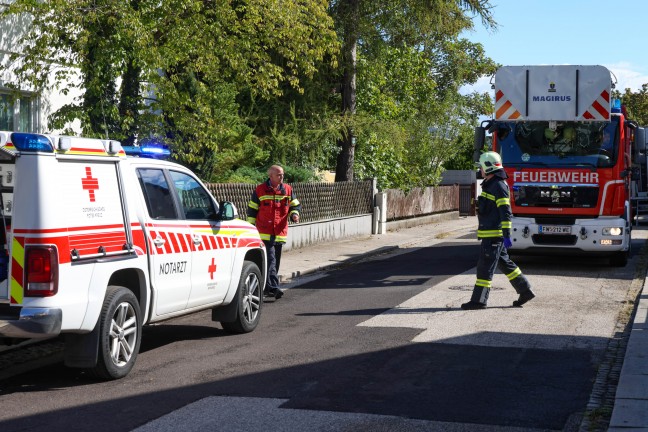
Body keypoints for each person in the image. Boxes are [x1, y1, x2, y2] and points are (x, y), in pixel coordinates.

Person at [461, 152, 535, 310]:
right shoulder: (491, 183)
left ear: (487, 167)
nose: (480, 169)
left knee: (484, 268)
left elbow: (505, 211)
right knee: (505, 264)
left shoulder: (498, 185)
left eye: (481, 166)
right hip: (492, 234)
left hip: (494, 236)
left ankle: (479, 301)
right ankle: (525, 290)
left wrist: (507, 235)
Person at [247, 165, 301, 300]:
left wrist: (295, 214)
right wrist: (251, 229)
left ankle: (266, 288)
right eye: (279, 175)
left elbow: (295, 205)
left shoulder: (287, 190)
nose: (282, 177)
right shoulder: (260, 190)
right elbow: (252, 210)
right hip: (264, 232)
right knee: (271, 260)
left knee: (275, 263)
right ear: (271, 176)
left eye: (282, 174)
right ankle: (274, 288)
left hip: (280, 233)